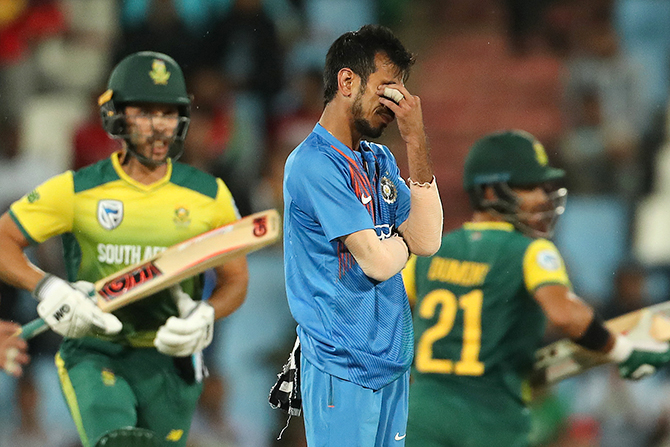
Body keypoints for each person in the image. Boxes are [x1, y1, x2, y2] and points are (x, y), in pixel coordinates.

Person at [0, 51, 249, 447]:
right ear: (115, 116)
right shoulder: (77, 189)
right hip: (95, 353)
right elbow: (3, 239)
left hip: (172, 362)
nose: (158, 127)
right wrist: (46, 286)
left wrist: (206, 313)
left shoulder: (210, 195)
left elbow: (236, 281)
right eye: (145, 113)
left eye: (168, 114)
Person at [402, 130, 670, 447]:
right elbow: (566, 315)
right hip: (492, 418)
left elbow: (389, 319)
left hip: (421, 413)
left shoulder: (428, 253)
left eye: (544, 187)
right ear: (489, 192)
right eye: (529, 187)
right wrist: (622, 351)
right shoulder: (531, 252)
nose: (542, 197)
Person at [279, 24, 443, 446]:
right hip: (342, 365)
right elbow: (377, 261)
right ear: (347, 81)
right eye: (387, 88)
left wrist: (415, 140)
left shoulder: (380, 159)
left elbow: (429, 240)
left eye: (402, 91)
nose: (397, 103)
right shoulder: (313, 164)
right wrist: (402, 239)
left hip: (391, 361)